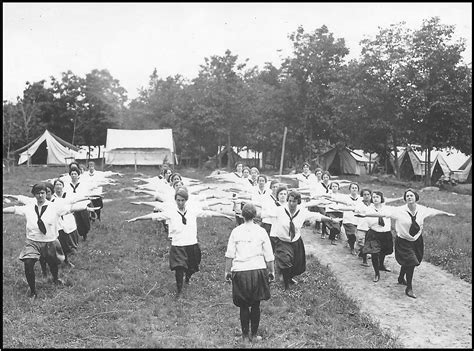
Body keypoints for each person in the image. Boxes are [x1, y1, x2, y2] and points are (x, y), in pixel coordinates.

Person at [127, 187, 233, 296]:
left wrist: (224, 215)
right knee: (179, 267)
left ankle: (187, 277)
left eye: (182, 200)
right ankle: (179, 290)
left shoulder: (192, 211)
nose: (180, 202)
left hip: (192, 244)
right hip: (178, 245)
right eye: (178, 200)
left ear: (186, 200)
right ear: (175, 200)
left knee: (193, 266)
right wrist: (138, 218)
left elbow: (208, 213)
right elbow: (155, 216)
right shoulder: (171, 212)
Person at [358, 189, 455, 298]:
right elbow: (383, 213)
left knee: (414, 260)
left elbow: (434, 211)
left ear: (416, 197)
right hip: (403, 241)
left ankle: (400, 278)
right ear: (405, 199)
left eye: (411, 195)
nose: (409, 197)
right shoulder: (399, 210)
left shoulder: (422, 209)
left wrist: (446, 213)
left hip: (417, 240)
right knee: (411, 262)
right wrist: (364, 214)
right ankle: (409, 288)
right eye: (407, 196)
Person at [2, 183, 92, 299]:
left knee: (53, 264)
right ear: (34, 195)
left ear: (46, 193)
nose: (40, 195)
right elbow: (14, 209)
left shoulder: (54, 207)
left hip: (50, 241)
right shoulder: (29, 206)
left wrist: (86, 204)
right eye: (37, 193)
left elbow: (71, 208)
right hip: (32, 241)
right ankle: (33, 291)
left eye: (42, 193)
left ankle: (55, 278)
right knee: (28, 263)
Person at [266, 190, 341, 290]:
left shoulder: (302, 212)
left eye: (294, 201)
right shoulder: (279, 210)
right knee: (286, 262)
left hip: (296, 241)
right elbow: (263, 214)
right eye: (290, 201)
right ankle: (286, 286)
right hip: (282, 241)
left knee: (297, 265)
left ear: (298, 202)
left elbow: (317, 216)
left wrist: (332, 220)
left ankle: (289, 277)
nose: (291, 204)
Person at [224, 203, 275, 343]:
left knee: (244, 305)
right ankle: (254, 334)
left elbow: (229, 254)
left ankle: (245, 336)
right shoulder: (261, 231)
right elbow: (269, 255)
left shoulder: (236, 232)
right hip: (258, 271)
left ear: (242, 215)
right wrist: (272, 271)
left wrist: (227, 271)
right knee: (256, 304)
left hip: (240, 272)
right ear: (255, 215)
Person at [359, 191, 393, 282]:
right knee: (374, 253)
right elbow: (369, 222)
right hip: (374, 233)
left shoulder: (387, 208)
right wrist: (378, 216)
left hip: (385, 233)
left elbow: (391, 216)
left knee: (383, 251)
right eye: (373, 197)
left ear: (381, 198)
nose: (375, 199)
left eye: (377, 197)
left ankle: (381, 265)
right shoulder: (369, 209)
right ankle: (376, 273)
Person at [356, 189, 373, 266]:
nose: (366, 196)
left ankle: (364, 259)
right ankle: (363, 256)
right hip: (361, 226)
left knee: (369, 244)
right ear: (362, 196)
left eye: (368, 194)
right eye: (364, 195)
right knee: (361, 243)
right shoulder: (359, 204)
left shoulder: (373, 205)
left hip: (370, 227)